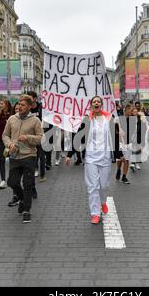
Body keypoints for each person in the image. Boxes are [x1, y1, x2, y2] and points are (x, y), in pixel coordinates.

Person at [66, 96, 113, 224]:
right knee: (93, 186)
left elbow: (114, 136)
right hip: (91, 158)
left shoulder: (108, 119)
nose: (96, 103)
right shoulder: (87, 120)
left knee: (104, 185)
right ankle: (95, 213)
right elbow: (78, 137)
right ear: (91, 105)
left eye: (98, 101)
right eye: (94, 102)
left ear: (101, 105)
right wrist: (70, 154)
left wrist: (120, 154)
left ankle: (103, 201)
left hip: (105, 157)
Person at [2, 95, 43, 223]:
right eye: (19, 104)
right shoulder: (11, 119)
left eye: (23, 104)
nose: (19, 107)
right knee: (12, 182)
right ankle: (22, 199)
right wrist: (9, 144)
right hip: (14, 156)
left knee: (27, 184)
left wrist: (28, 138)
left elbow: (41, 138)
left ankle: (27, 210)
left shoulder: (35, 120)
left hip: (29, 156)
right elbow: (5, 135)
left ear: (30, 106)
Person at [0, 99, 12, 189]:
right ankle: (3, 180)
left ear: (7, 105)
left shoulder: (12, 115)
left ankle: (12, 178)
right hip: (0, 141)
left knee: (12, 159)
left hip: (10, 141)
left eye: (2, 103)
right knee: (2, 159)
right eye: (0, 104)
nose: (0, 105)